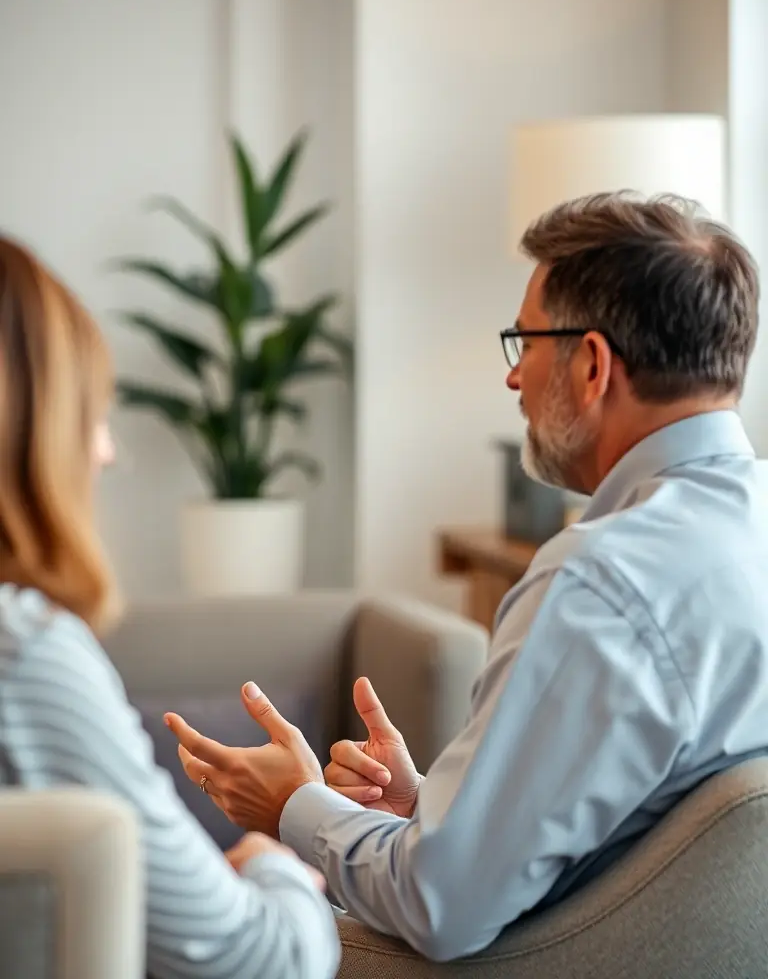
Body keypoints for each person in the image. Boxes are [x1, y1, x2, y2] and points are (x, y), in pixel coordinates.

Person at [166, 191, 768, 962]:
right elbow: (634, 851)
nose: (515, 381)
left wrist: (295, 806)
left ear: (590, 365)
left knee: (213, 928)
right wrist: (432, 812)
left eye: (526, 342)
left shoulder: (600, 586)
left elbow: (438, 908)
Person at [0, 237, 340, 979]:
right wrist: (271, 858)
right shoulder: (22, 654)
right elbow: (259, 959)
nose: (107, 452)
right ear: (29, 432)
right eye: (91, 415)